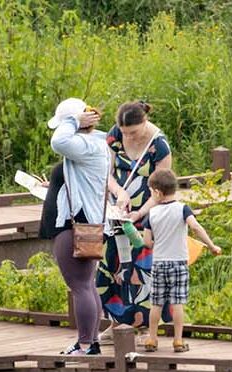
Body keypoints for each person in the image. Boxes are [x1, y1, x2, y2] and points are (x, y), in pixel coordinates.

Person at [96, 101, 173, 344]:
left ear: (145, 123)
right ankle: (115, 323)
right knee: (112, 266)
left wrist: (140, 213)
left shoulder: (158, 146)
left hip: (146, 214)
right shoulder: (114, 136)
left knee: (142, 270)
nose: (128, 136)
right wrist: (119, 191)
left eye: (134, 132)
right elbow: (104, 172)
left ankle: (144, 327)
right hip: (116, 210)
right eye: (125, 131)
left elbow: (162, 188)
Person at [44, 98, 109, 355]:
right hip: (86, 221)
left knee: (80, 285)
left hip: (76, 223)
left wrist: (73, 121)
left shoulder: (85, 144)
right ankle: (90, 341)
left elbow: (58, 141)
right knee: (87, 283)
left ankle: (85, 344)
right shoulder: (96, 143)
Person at [141, 169, 222, 352]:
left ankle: (152, 339)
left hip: (159, 263)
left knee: (156, 303)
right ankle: (178, 340)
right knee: (177, 303)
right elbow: (195, 227)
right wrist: (211, 246)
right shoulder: (182, 209)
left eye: (151, 191)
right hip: (178, 262)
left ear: (158, 193)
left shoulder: (151, 214)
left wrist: (156, 243)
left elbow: (147, 242)